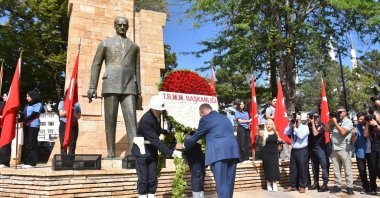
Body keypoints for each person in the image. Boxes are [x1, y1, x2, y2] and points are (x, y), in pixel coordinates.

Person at [87, 16, 141, 158]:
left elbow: (137, 70)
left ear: (128, 27)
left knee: (131, 120)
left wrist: (139, 92)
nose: (122, 27)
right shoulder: (105, 43)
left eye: (124, 25)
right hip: (110, 84)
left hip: (129, 86)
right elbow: (96, 65)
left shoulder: (134, 47)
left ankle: (134, 152)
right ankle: (110, 151)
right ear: (115, 26)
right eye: (119, 25)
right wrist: (92, 86)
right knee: (110, 120)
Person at [177, 103, 240, 198]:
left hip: (218, 154)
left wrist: (183, 145)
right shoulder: (225, 118)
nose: (200, 117)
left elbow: (197, 135)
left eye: (200, 115)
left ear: (203, 112)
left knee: (221, 185)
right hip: (233, 152)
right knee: (229, 185)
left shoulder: (206, 119)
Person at [131, 95, 182, 198]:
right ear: (153, 108)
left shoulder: (156, 116)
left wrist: (166, 132)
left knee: (153, 178)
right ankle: (142, 196)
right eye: (159, 109)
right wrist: (171, 152)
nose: (161, 111)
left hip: (152, 150)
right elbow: (156, 141)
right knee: (143, 178)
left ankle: (151, 195)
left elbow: (157, 129)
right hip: (142, 151)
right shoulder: (146, 119)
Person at [325, 106, 354, 195]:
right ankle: (337, 186)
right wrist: (331, 120)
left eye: (341, 112)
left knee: (347, 169)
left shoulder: (348, 122)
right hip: (334, 148)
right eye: (338, 112)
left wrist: (335, 123)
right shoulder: (336, 120)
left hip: (344, 149)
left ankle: (349, 187)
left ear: (345, 112)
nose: (339, 114)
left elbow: (343, 132)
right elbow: (326, 129)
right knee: (336, 169)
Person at [284, 113, 310, 193]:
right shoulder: (292, 127)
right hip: (294, 150)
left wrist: (295, 128)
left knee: (302, 168)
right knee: (293, 169)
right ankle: (292, 185)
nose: (295, 121)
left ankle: (302, 186)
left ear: (299, 120)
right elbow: (285, 132)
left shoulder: (305, 127)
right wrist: (290, 124)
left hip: (302, 150)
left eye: (296, 120)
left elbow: (301, 136)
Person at [20, 89, 44, 169]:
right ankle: (26, 161)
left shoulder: (38, 104)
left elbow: (34, 114)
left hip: (33, 126)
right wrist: (19, 119)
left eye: (28, 96)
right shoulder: (27, 105)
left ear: (33, 96)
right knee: (26, 143)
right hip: (26, 125)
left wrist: (24, 120)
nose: (27, 97)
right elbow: (23, 114)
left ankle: (32, 162)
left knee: (32, 143)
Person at [307, 111, 329, 192]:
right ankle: (316, 183)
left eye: (311, 117)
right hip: (312, 149)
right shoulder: (308, 125)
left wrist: (312, 124)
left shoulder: (321, 125)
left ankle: (325, 184)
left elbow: (315, 133)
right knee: (314, 167)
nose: (309, 119)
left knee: (324, 166)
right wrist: (309, 123)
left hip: (320, 148)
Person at [352, 112, 373, 194]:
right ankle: (365, 187)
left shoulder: (371, 125)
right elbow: (353, 141)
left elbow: (366, 134)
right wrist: (353, 134)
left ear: (365, 119)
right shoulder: (356, 127)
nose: (359, 120)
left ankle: (372, 186)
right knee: (362, 171)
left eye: (361, 119)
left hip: (371, 152)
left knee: (372, 170)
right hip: (360, 152)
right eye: (358, 119)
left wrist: (368, 123)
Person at [259, 119, 281, 192]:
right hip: (266, 153)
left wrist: (280, 140)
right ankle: (268, 183)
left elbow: (279, 140)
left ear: (272, 125)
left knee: (275, 168)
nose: (268, 125)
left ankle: (274, 183)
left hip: (274, 153)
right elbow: (258, 133)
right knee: (268, 168)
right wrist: (258, 129)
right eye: (267, 124)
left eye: (270, 124)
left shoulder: (276, 132)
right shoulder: (263, 133)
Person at [365, 110, 380, 195]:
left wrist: (376, 125)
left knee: (379, 168)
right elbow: (366, 135)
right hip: (373, 149)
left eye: (374, 116)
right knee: (373, 169)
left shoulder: (376, 124)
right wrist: (367, 123)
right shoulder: (370, 125)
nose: (372, 117)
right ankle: (373, 188)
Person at [0, 93, 11, 168]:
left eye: (6, 96)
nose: (4, 97)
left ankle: (5, 162)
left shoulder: (11, 105)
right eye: (3, 96)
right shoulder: (1, 104)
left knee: (5, 144)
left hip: (6, 127)